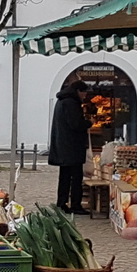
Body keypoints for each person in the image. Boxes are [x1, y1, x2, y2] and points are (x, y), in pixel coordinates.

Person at [48, 83, 87, 214]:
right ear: (78, 91)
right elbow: (76, 124)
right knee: (76, 178)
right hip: (72, 147)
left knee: (64, 177)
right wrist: (88, 123)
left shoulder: (62, 101)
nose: (85, 96)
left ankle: (62, 202)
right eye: (84, 93)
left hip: (64, 147)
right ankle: (75, 204)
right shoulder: (71, 103)